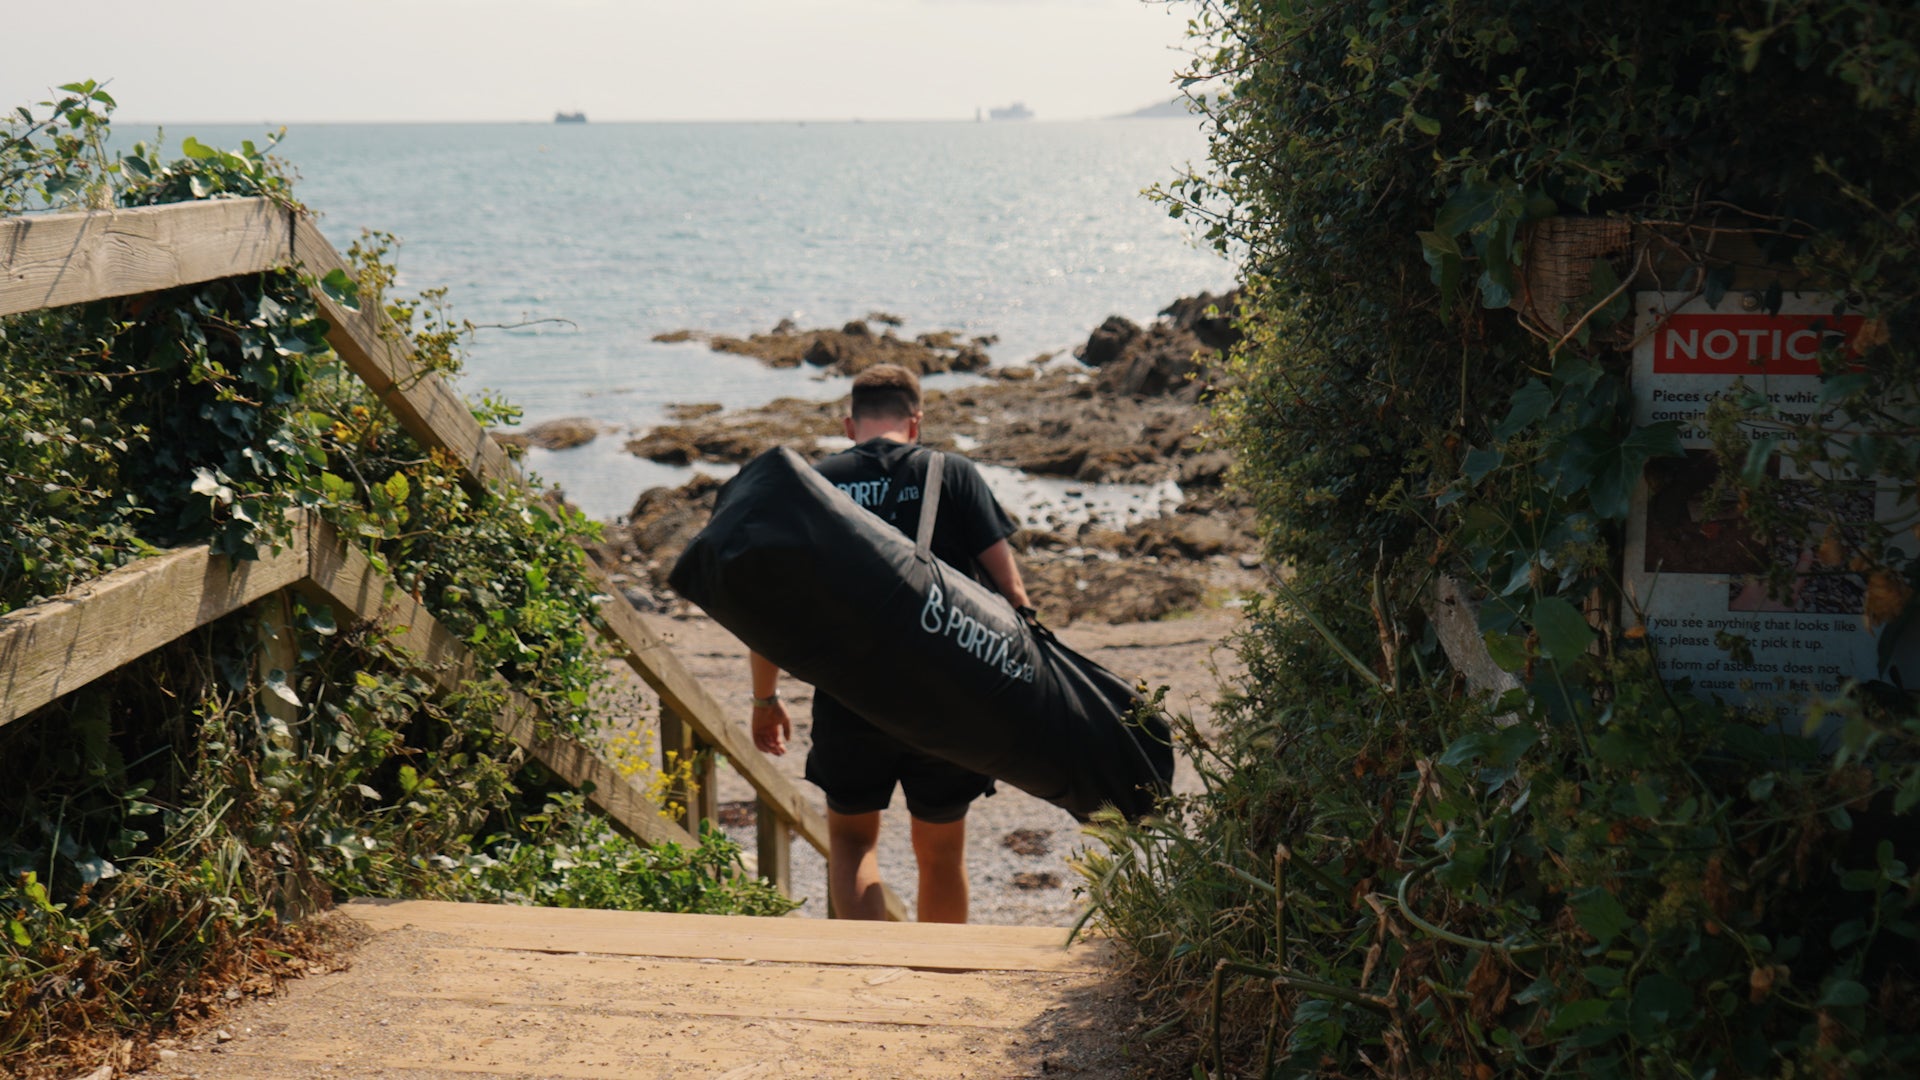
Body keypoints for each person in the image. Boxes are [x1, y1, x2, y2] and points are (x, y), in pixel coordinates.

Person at [747, 363, 1032, 923]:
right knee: (943, 854)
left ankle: (865, 983)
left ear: (850, 425)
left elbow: (775, 605)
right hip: (948, 696)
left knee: (853, 845)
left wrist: (765, 697)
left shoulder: (815, 483)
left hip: (850, 692)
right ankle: (938, 984)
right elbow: (1013, 594)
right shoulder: (953, 475)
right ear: (916, 422)